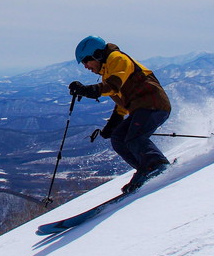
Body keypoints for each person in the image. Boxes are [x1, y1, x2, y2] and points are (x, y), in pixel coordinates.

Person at [68, 35, 172, 193]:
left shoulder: (117, 59)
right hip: (142, 107)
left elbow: (113, 86)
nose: (86, 66)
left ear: (97, 54)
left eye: (86, 61)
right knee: (118, 138)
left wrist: (86, 90)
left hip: (153, 103)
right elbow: (121, 103)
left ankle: (157, 165)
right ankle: (145, 168)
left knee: (134, 138)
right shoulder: (107, 72)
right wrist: (113, 125)